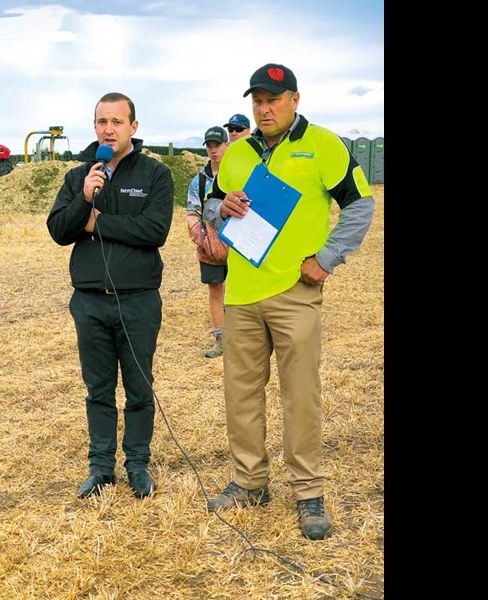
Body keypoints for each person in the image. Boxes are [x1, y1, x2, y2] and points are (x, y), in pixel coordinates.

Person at [203, 63, 375, 540]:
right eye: (257, 100)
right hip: (240, 293)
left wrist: (328, 257)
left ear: (295, 100)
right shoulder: (237, 154)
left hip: (295, 293)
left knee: (300, 395)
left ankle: (308, 492)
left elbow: (361, 204)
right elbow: (213, 206)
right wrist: (223, 208)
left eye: (273, 99)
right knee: (240, 393)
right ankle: (249, 480)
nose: (264, 108)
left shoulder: (324, 144)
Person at [46, 92, 174, 501]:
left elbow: (154, 232)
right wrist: (84, 200)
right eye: (102, 121)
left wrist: (96, 221)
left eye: (117, 122)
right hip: (89, 303)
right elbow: (59, 231)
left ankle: (137, 464)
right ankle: (100, 467)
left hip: (138, 301)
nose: (109, 129)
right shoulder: (79, 177)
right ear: (95, 126)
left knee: (139, 387)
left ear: (133, 128)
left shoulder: (155, 174)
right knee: (97, 388)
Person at [186, 125, 229, 359]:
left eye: (217, 145)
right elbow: (192, 211)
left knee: (238, 292)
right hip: (210, 247)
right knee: (215, 289)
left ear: (226, 145)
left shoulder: (237, 175)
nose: (213, 151)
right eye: (209, 146)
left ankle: (243, 337)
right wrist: (201, 239)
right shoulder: (198, 182)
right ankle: (221, 339)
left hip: (239, 244)